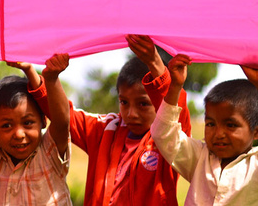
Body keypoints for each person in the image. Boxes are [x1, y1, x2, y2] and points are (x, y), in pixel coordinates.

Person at [37, 35, 188, 205]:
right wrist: (45, 80)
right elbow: (64, 116)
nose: (131, 113)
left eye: (143, 104)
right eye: (124, 102)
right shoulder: (105, 129)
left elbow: (175, 112)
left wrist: (154, 62)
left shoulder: (171, 140)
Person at [152, 55, 258, 205]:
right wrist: (175, 86)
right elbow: (163, 133)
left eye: (230, 125)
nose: (218, 134)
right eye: (210, 124)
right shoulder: (199, 158)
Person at [0, 54, 72, 205]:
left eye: (28, 122)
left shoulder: (49, 153)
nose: (19, 134)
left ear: (43, 120)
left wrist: (49, 78)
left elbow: (62, 122)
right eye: (7, 125)